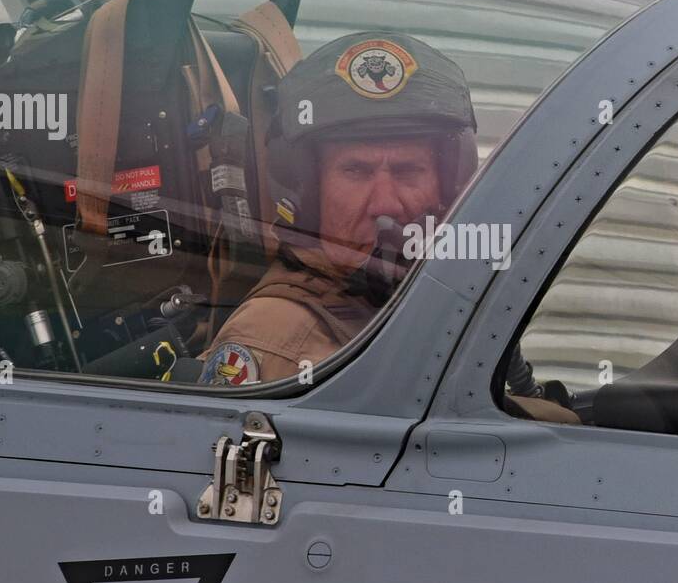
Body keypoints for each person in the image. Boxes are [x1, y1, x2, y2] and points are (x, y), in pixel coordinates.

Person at [198, 31, 478, 386]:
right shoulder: (278, 345)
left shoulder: (422, 299)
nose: (385, 204)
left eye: (408, 171)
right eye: (356, 171)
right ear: (307, 194)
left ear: (449, 186)